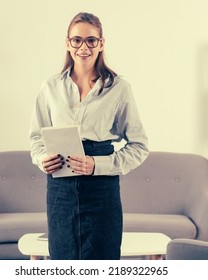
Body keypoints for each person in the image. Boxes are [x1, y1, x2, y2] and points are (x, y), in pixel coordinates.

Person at [29, 12, 149, 260]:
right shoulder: (50, 87)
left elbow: (139, 146)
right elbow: (36, 138)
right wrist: (43, 159)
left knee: (103, 258)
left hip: (101, 188)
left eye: (91, 40)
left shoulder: (119, 89)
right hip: (60, 187)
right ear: (67, 43)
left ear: (101, 43)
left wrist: (97, 164)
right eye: (77, 40)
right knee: (63, 260)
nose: (84, 47)